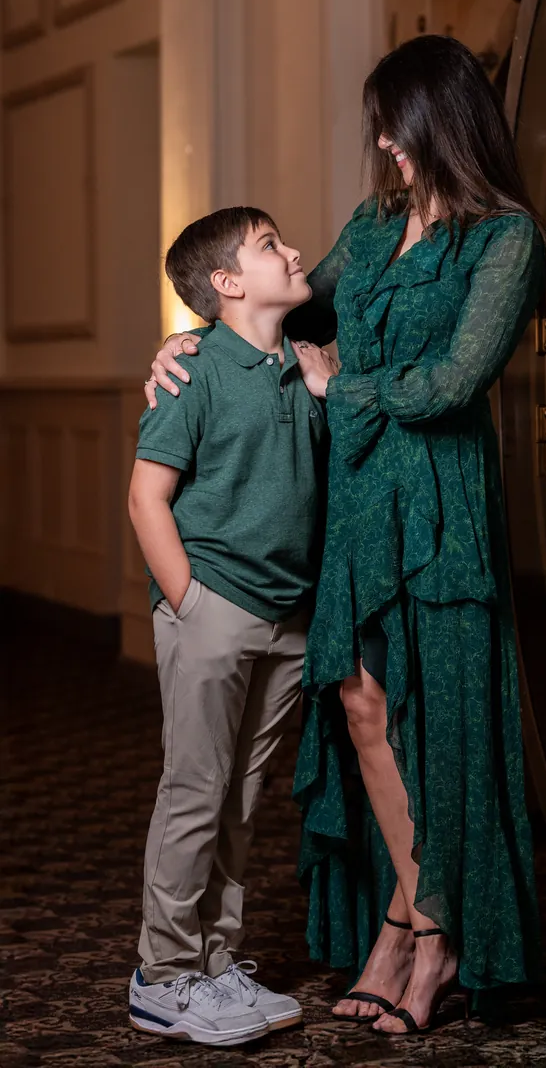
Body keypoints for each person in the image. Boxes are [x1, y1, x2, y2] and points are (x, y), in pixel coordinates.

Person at [147, 34, 546, 1037]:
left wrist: (343, 383)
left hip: (440, 502)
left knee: (442, 723)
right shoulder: (372, 226)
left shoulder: (505, 239)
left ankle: (431, 932)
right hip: (355, 500)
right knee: (364, 711)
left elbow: (455, 383)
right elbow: (271, 306)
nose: (380, 141)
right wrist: (183, 338)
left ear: (440, 122)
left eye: (393, 124)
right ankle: (403, 913)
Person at [129, 206, 335, 1047]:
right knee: (194, 793)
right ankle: (163, 975)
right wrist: (189, 602)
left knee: (240, 800)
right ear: (226, 283)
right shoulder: (194, 372)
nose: (292, 251)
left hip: (288, 615)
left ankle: (215, 964)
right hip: (214, 608)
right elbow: (147, 498)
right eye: (269, 246)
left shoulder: (304, 361)